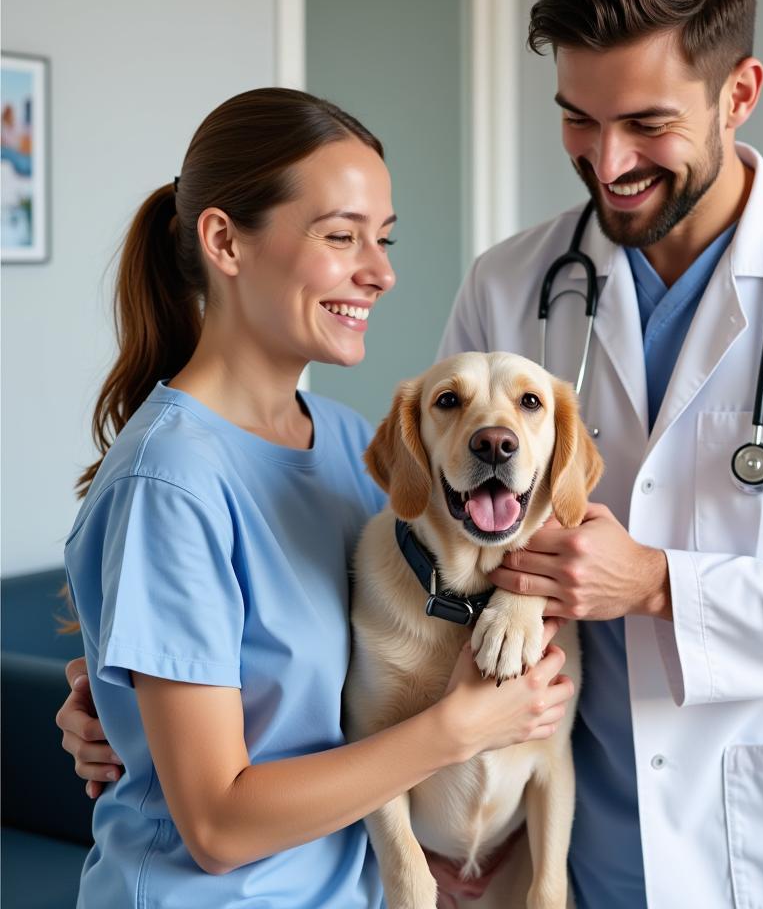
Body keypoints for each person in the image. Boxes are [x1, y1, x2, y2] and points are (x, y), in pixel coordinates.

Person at [60, 0, 763, 908]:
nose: (608, 162)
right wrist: (126, 700)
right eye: (578, 118)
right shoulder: (512, 282)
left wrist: (660, 584)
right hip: (557, 851)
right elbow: (397, 557)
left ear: (740, 95)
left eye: (647, 123)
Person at [56, 87, 574, 908]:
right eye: (341, 237)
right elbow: (218, 827)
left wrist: (109, 706)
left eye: (384, 239)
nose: (382, 272)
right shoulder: (170, 481)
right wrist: (457, 731)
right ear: (224, 241)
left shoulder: (342, 444)